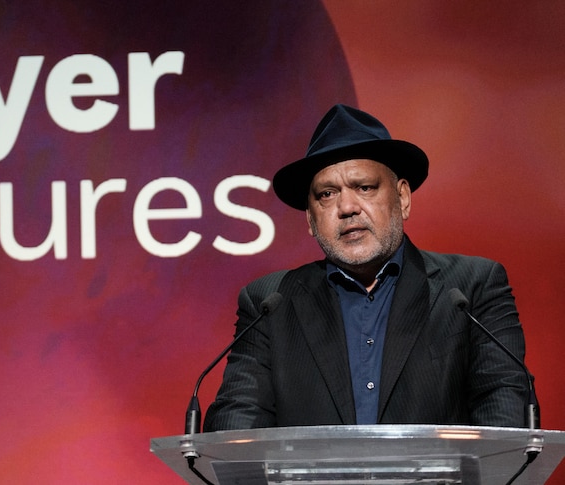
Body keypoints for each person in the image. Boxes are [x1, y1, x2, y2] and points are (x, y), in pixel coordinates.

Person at [203, 104, 533, 430]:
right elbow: (236, 425)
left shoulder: (471, 288)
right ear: (310, 218)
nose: (347, 207)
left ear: (402, 198)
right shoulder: (270, 303)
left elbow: (505, 409)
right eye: (327, 194)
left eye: (364, 187)